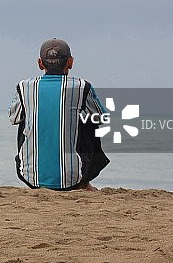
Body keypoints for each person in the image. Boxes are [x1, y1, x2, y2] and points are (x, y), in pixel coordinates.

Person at [8, 38, 109, 191]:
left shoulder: (24, 87)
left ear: (40, 64)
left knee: (25, 115)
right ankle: (83, 181)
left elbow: (13, 118)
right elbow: (102, 118)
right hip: (73, 179)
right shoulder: (82, 87)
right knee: (90, 119)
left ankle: (35, 166)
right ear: (70, 62)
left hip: (29, 177)